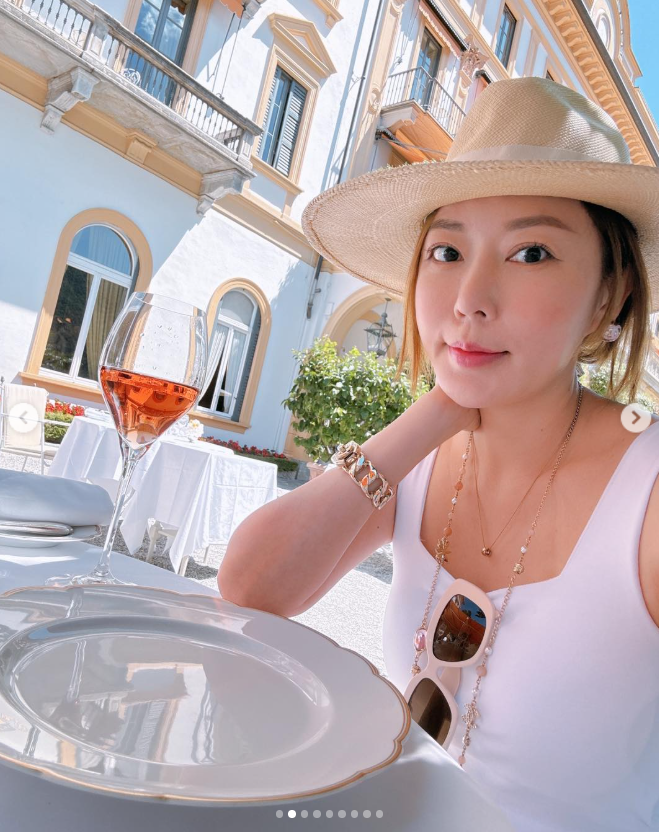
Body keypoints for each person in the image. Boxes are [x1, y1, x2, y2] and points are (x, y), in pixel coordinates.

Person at [217, 78, 659, 831]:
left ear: (608, 296)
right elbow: (252, 588)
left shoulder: (643, 488)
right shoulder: (420, 457)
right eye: (447, 250)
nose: (469, 299)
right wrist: (433, 412)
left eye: (530, 252)